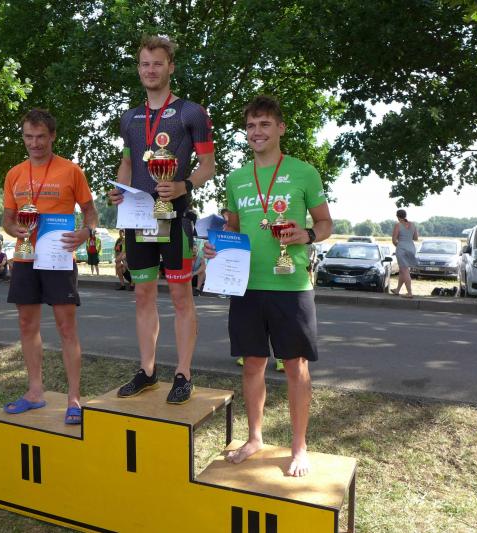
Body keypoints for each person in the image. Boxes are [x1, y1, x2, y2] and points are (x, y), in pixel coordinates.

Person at [204, 95, 333, 477]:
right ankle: (255, 437)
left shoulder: (304, 172)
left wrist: (307, 234)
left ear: (280, 128)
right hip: (246, 285)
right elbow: (232, 228)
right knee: (253, 364)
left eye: (264, 124)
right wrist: (217, 247)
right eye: (250, 126)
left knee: (295, 365)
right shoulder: (236, 178)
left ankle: (299, 447)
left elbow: (325, 223)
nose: (256, 132)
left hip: (291, 285)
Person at [108, 35, 216, 404]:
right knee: (142, 295)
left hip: (176, 216)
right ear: (138, 68)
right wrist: (119, 191)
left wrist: (184, 184)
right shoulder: (129, 118)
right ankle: (148, 371)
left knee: (181, 296)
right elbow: (127, 162)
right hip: (139, 218)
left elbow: (208, 165)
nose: (150, 70)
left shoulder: (192, 113)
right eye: (145, 64)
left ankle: (183, 374)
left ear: (170, 67)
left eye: (157, 63)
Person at [1, 108, 98, 426]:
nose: (35, 143)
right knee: (26, 324)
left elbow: (90, 211)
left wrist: (86, 232)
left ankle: (74, 399)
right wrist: (13, 229)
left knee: (66, 327)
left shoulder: (71, 171)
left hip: (58, 257)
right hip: (25, 257)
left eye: (41, 136)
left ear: (53, 136)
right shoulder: (14, 174)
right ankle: (34, 392)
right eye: (28, 137)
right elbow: (7, 219)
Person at [391, 209, 418, 298]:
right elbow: (416, 238)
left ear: (398, 216)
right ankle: (397, 290)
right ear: (405, 215)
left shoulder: (398, 225)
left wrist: (399, 246)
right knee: (403, 271)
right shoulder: (413, 224)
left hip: (402, 249)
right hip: (411, 248)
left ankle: (409, 293)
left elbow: (394, 240)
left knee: (405, 271)